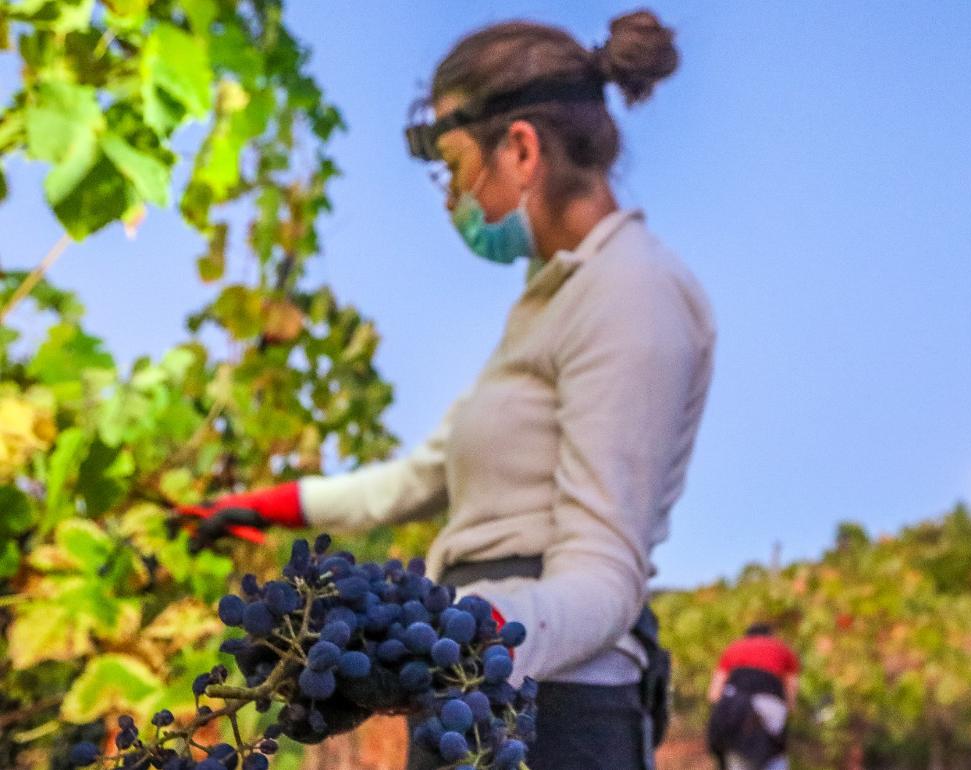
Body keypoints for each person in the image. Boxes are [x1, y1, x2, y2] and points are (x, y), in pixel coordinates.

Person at [183, 9, 715, 770]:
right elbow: (423, 477)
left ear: (521, 149)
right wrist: (272, 506)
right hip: (474, 681)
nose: (448, 198)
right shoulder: (549, 301)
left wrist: (477, 631)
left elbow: (604, 579)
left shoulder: (634, 293)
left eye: (454, 167)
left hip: (552, 703)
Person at [706, 623, 800, 770]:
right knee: (772, 753)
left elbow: (714, 693)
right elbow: (791, 687)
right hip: (770, 703)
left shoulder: (734, 648)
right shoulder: (781, 648)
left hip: (734, 707)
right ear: (770, 635)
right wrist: (790, 709)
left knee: (736, 753)